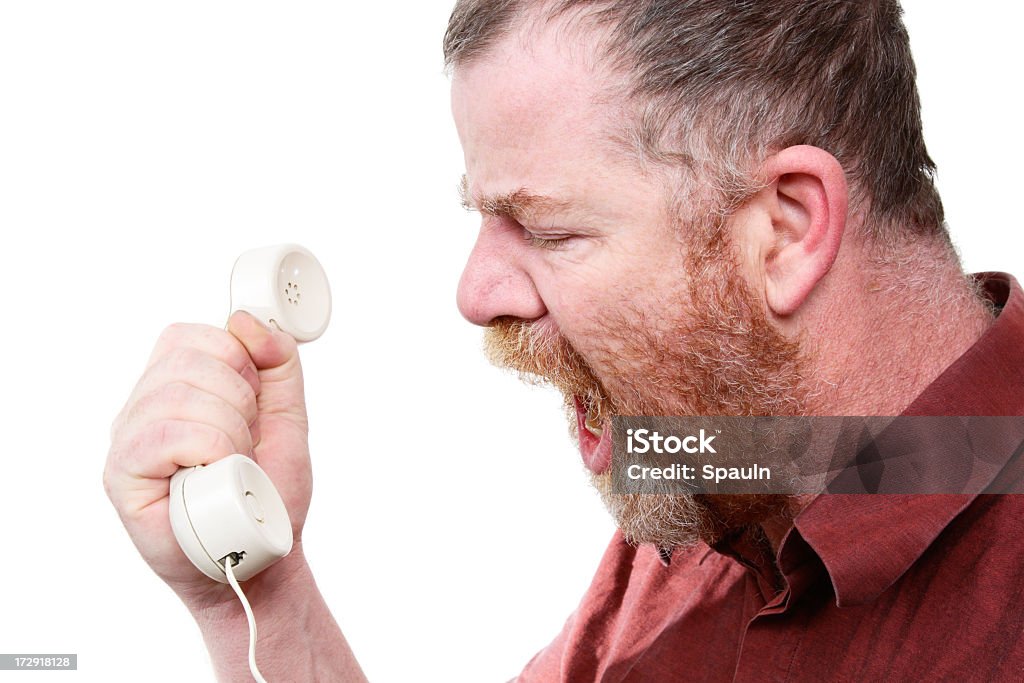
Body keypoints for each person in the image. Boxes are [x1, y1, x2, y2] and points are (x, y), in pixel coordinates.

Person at [104, 0, 1024, 680]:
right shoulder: (719, 473)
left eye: (545, 229)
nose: (475, 295)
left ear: (784, 228)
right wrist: (257, 591)